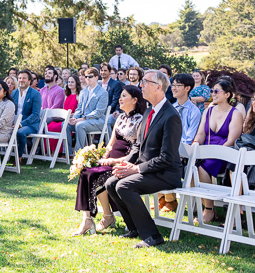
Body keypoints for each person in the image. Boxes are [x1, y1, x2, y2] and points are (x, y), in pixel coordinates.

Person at [104, 70, 183, 248]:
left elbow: (167, 158)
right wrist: (125, 163)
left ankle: (152, 236)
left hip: (165, 173)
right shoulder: (149, 111)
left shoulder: (171, 116)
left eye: (146, 82)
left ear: (158, 87)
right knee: (111, 183)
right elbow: (138, 146)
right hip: (148, 169)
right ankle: (134, 229)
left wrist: (136, 169)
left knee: (124, 186)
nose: (141, 85)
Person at [71, 85, 146, 235]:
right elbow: (111, 143)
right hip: (110, 160)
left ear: (135, 100)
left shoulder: (141, 120)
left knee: (93, 175)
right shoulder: (120, 118)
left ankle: (105, 216)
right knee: (86, 171)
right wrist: (102, 157)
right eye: (121, 96)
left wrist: (112, 161)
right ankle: (90, 218)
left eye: (124, 96)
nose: (120, 98)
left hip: (126, 162)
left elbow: (137, 152)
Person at [192, 77, 244, 224]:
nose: (212, 94)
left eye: (216, 91)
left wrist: (217, 152)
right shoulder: (208, 111)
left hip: (225, 151)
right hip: (207, 149)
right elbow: (201, 133)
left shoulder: (235, 113)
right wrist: (196, 143)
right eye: (211, 91)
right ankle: (209, 208)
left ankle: (209, 210)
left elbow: (232, 140)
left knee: (202, 166)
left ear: (227, 94)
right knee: (196, 165)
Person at [158, 74, 203, 213]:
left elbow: (189, 137)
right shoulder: (171, 108)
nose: (174, 88)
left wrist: (173, 147)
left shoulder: (194, 111)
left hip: (184, 151)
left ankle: (171, 200)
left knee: (165, 159)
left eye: (178, 85)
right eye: (173, 85)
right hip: (170, 148)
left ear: (187, 88)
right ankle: (162, 198)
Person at [68, 67, 108, 151]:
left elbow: (98, 112)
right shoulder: (83, 92)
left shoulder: (103, 93)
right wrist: (74, 117)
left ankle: (78, 153)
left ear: (96, 78)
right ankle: (67, 153)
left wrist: (83, 118)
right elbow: (79, 108)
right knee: (66, 124)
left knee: (80, 125)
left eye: (90, 76)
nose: (87, 78)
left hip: (98, 121)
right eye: (86, 77)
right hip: (84, 120)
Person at [12, 70, 42, 158]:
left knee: (20, 132)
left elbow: (35, 114)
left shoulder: (35, 94)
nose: (21, 80)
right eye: (20, 78)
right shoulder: (14, 93)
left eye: (24, 78)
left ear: (29, 81)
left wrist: (21, 124)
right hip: (15, 122)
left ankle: (18, 157)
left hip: (31, 124)